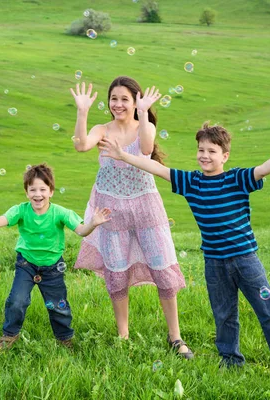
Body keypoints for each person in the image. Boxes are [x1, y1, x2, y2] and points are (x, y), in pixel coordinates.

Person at [99, 119, 270, 378]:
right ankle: (230, 360)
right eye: (201, 150)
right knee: (223, 315)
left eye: (212, 151)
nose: (205, 155)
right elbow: (155, 168)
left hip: (245, 259)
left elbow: (262, 170)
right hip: (214, 262)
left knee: (269, 312)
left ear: (225, 155)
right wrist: (123, 155)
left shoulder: (237, 179)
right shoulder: (192, 182)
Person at [69, 77, 193, 358]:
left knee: (162, 269)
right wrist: (82, 111)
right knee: (117, 273)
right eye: (114, 98)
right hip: (111, 210)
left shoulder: (143, 125)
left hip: (146, 209)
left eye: (125, 98)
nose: (118, 104)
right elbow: (80, 145)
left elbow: (147, 149)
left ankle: (175, 337)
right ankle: (123, 335)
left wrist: (144, 112)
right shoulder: (102, 129)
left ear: (135, 101)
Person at [0, 164, 111, 350]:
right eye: (33, 190)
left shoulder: (61, 213)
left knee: (58, 306)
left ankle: (64, 339)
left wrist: (93, 223)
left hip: (53, 267)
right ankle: (9, 335)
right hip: (26, 264)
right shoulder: (20, 210)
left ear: (51, 191)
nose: (38, 194)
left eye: (42, 189)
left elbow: (81, 231)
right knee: (17, 300)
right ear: (26, 192)